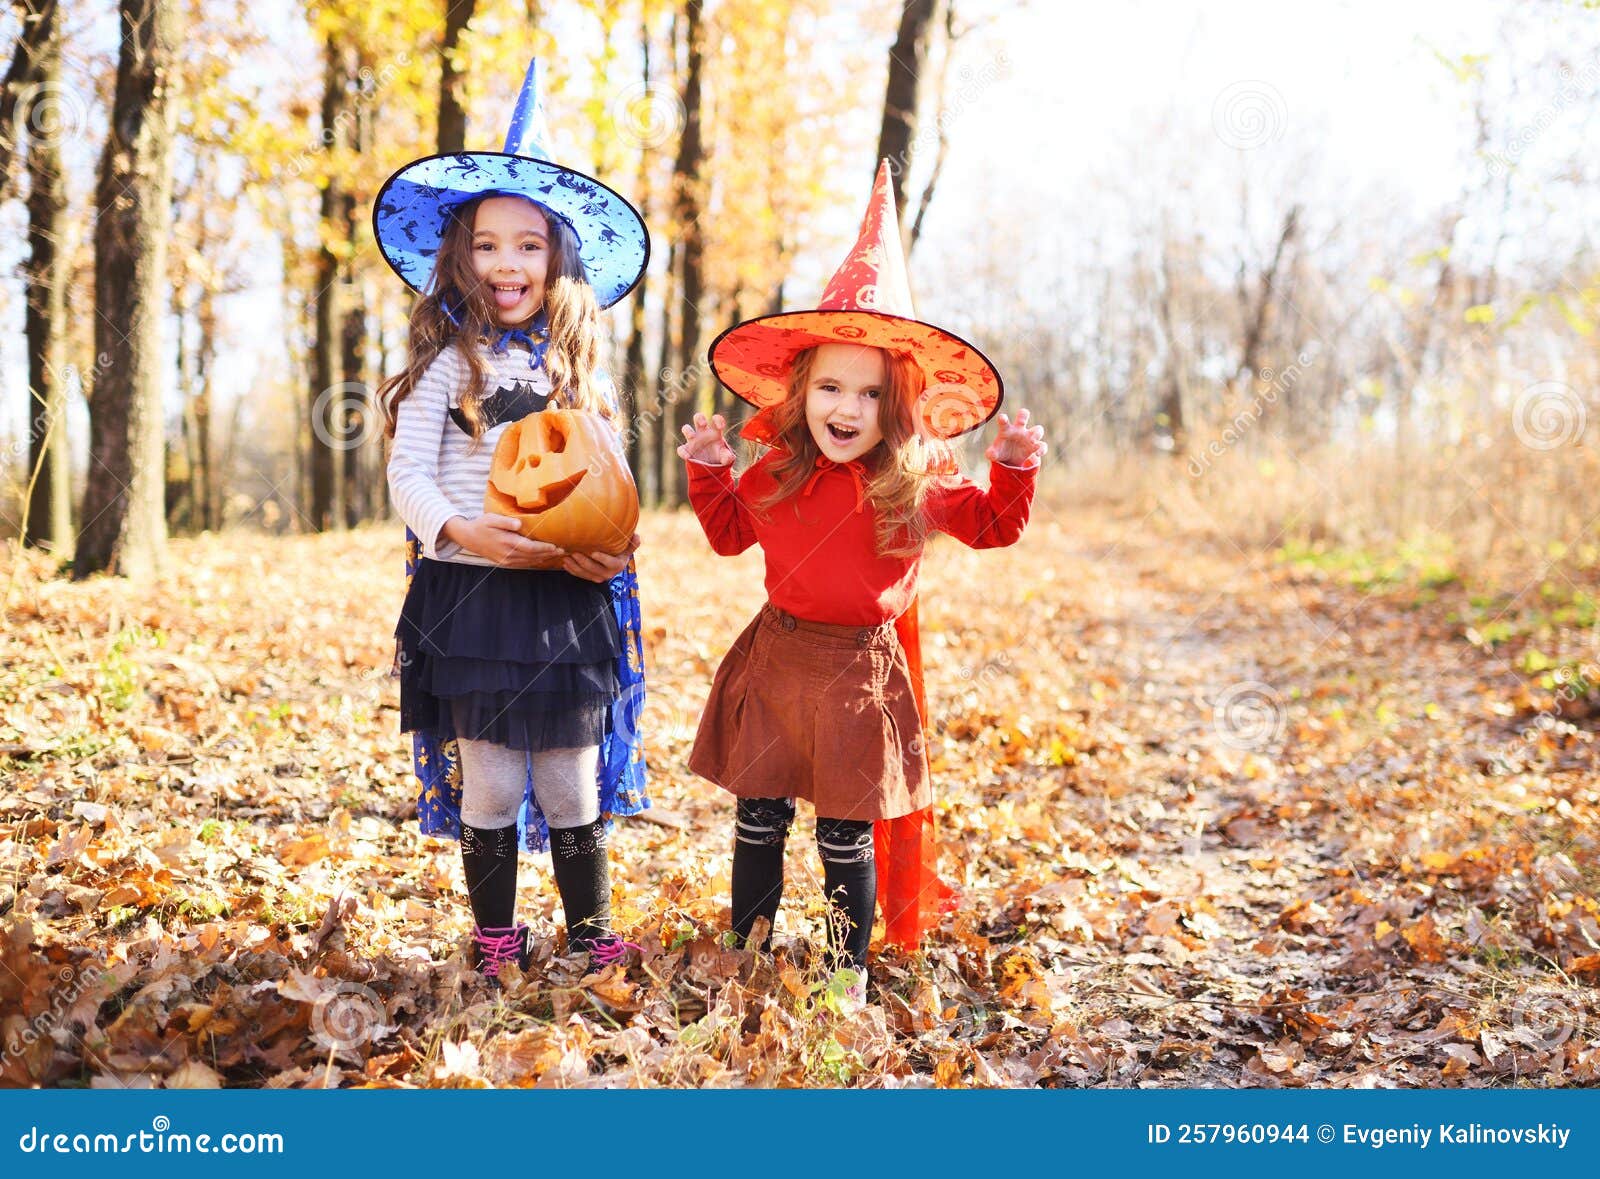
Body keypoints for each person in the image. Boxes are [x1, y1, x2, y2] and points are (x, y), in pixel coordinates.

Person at [677, 161, 1047, 979]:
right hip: (778, 657)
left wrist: (1012, 470)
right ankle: (748, 952)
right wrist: (709, 469)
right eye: (831, 388)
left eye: (871, 394)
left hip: (860, 672)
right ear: (801, 390)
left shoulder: (916, 482)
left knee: (846, 831)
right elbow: (728, 535)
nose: (847, 409)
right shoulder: (775, 472)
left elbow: (992, 528)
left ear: (899, 405)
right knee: (760, 815)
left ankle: (846, 972)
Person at [373, 60, 651, 979]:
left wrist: (602, 551)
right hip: (473, 602)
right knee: (490, 776)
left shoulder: (581, 378)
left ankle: (587, 930)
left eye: (528, 245)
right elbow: (407, 470)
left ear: (558, 259)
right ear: (461, 254)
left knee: (571, 773)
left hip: (562, 607)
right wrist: (459, 530)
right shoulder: (450, 366)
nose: (507, 263)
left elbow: (607, 488)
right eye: (487, 244)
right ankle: (495, 937)